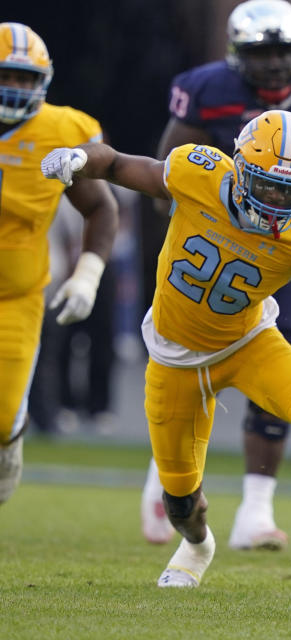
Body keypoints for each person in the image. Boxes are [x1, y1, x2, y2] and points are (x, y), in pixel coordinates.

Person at [40, 109, 291, 588]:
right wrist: (80, 158)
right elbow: (118, 164)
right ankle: (199, 544)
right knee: (181, 502)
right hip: (173, 357)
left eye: (290, 192)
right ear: (240, 169)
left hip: (250, 344)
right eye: (267, 185)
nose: (276, 201)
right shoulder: (196, 173)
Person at [140, 0, 291, 551]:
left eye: (285, 51)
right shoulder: (206, 88)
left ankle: (257, 508)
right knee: (182, 362)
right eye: (262, 52)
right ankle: (165, 475)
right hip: (214, 241)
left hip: (286, 245)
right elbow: (169, 164)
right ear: (237, 55)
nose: (276, 64)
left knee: (289, 353)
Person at [0, 22, 119, 504]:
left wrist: (87, 277)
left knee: (5, 411)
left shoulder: (62, 130)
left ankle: (10, 438)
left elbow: (101, 206)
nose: (17, 88)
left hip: (16, 295)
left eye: (27, 79)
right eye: (9, 75)